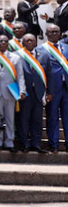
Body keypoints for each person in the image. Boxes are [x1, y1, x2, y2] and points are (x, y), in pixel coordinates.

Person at [18, 34, 50, 153]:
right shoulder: (17, 55)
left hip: (39, 92)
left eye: (32, 40)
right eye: (27, 40)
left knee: (37, 120)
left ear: (36, 43)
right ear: (23, 43)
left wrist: (50, 92)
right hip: (24, 92)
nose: (30, 42)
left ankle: (36, 144)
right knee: (24, 119)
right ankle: (24, 143)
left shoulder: (44, 55)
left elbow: (49, 74)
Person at [0, 34, 25, 152]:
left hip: (11, 91)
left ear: (8, 43)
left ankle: (9, 141)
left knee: (10, 118)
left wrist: (22, 90)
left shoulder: (15, 57)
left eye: (4, 41)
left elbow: (20, 76)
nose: (2, 43)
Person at [41, 24, 68, 153]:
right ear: (46, 34)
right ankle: (54, 144)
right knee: (52, 117)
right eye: (51, 32)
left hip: (66, 88)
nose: (54, 34)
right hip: (52, 89)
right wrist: (46, 90)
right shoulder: (41, 50)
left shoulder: (66, 48)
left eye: (56, 31)